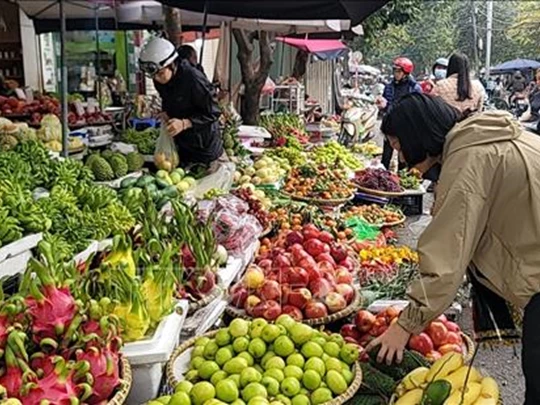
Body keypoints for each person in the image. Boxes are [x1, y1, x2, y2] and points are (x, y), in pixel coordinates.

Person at [368, 92, 540, 404]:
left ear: (415, 136)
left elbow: (448, 254)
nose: (402, 159)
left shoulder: (469, 161)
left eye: (398, 145)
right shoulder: (485, 138)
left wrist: (404, 325)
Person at [139, 37, 224, 167]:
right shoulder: (160, 78)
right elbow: (167, 99)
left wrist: (185, 123)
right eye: (153, 76)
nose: (157, 79)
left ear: (172, 64)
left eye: (160, 74)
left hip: (204, 146)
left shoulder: (194, 79)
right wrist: (166, 113)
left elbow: (214, 112)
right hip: (182, 145)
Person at [376, 57, 422, 169]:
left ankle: (401, 180)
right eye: (394, 71)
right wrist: (382, 106)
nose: (396, 74)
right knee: (386, 155)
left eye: (398, 71)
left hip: (406, 127)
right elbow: (386, 104)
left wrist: (388, 106)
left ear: (406, 73)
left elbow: (412, 109)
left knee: (404, 157)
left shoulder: (414, 89)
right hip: (390, 124)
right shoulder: (389, 87)